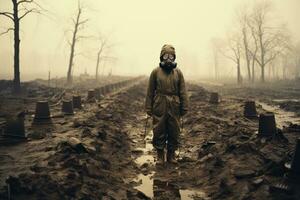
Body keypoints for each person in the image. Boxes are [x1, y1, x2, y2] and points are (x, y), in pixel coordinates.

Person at [145, 44, 188, 165]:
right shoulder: (155, 72)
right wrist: (148, 107)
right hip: (160, 103)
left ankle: (171, 155)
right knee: (159, 129)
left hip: (174, 105)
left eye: (171, 56)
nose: (168, 59)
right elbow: (150, 91)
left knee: (174, 129)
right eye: (165, 56)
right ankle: (160, 155)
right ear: (161, 57)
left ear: (174, 58)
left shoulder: (178, 73)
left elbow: (183, 91)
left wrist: (184, 106)